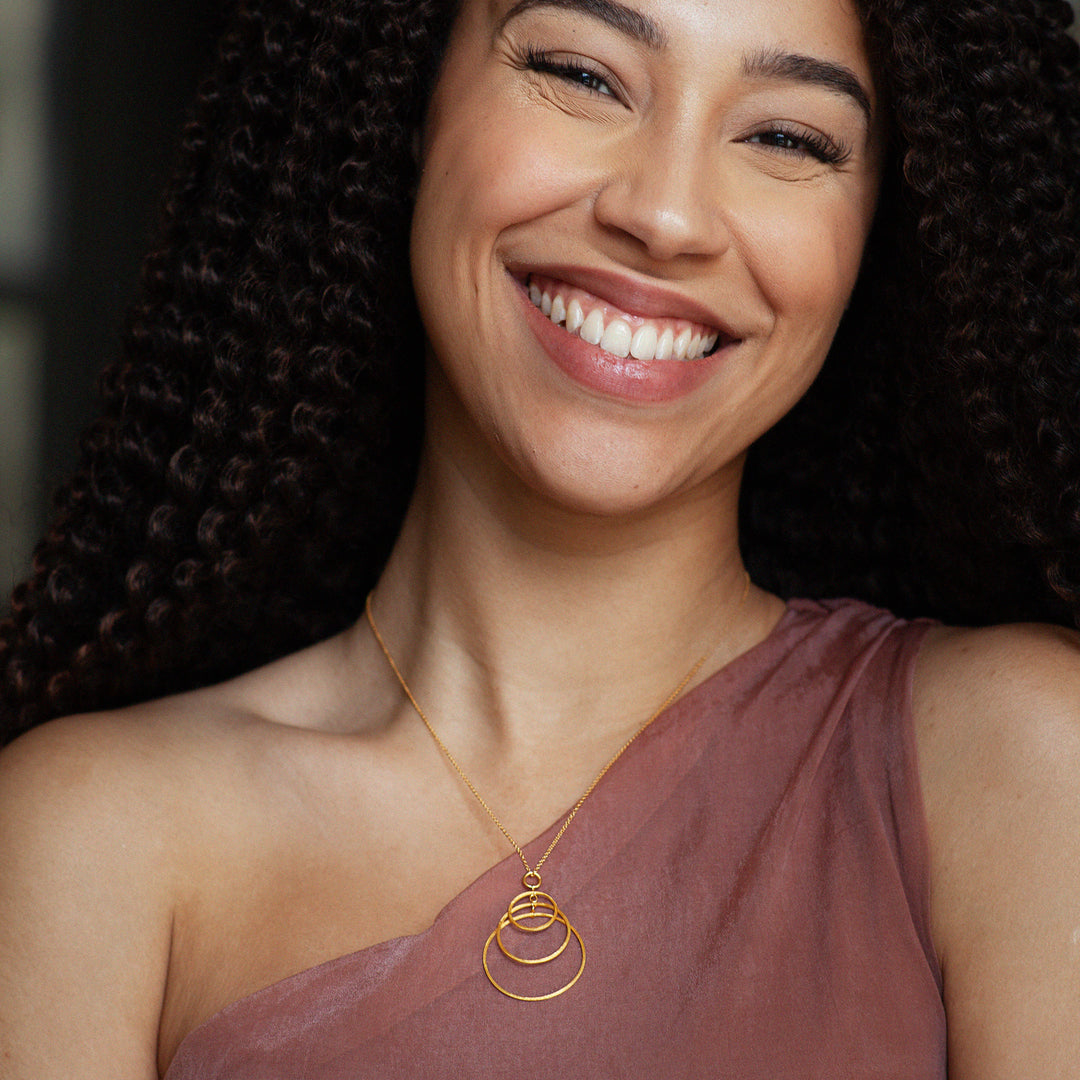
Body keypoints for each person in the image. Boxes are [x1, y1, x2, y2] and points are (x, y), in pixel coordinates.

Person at [2, 0, 1079, 1074]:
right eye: (582, 74)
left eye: (788, 138)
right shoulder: (95, 843)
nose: (665, 214)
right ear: (416, 94)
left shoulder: (1014, 767)